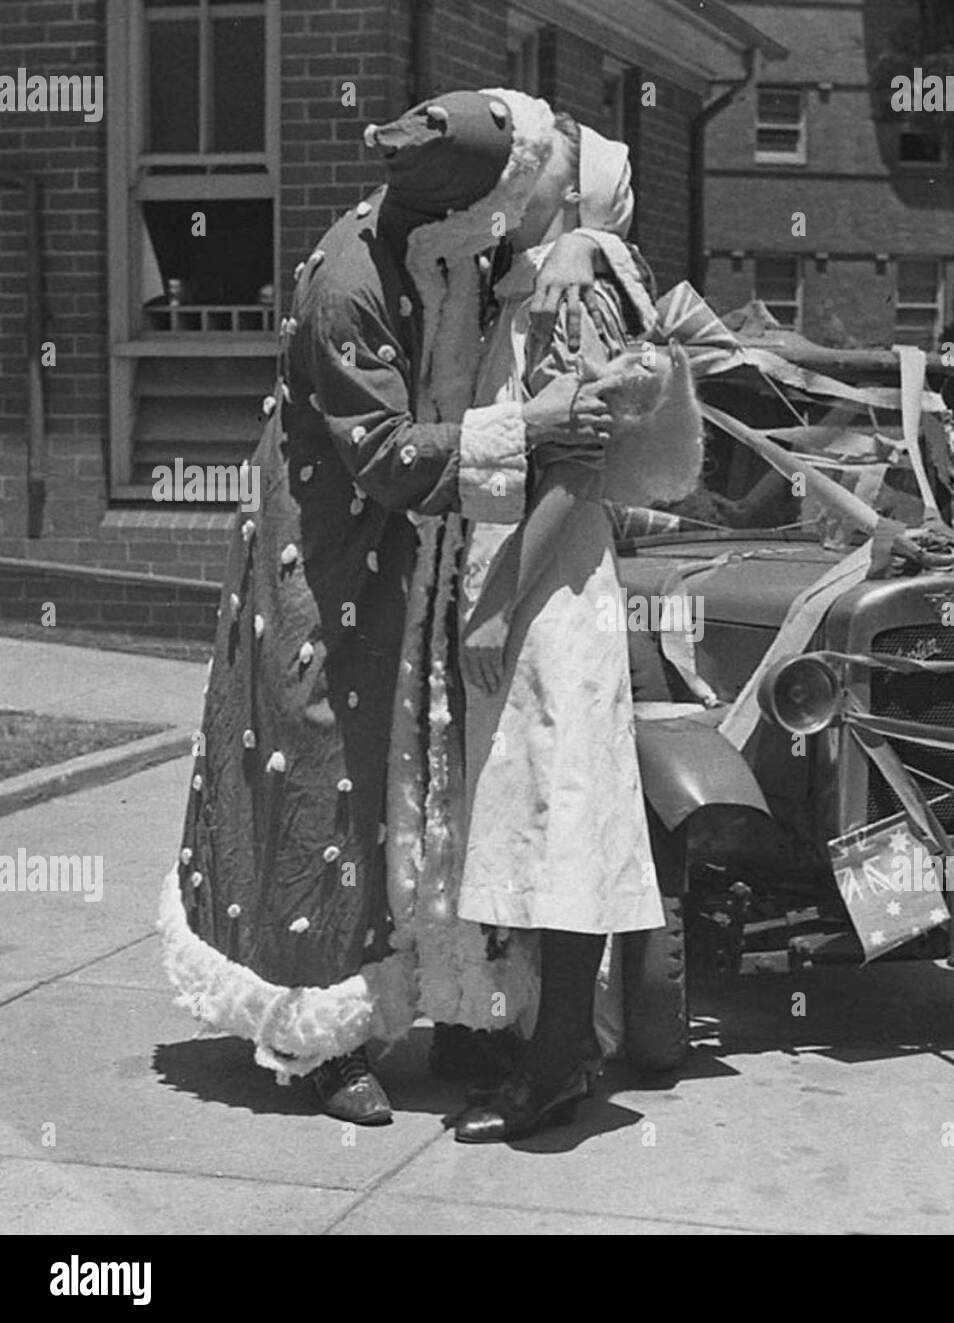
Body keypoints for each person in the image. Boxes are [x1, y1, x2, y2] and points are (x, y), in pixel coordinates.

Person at [158, 89, 623, 1127]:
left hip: (414, 561)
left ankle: (430, 993)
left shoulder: (451, 255)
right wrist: (528, 422)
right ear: (465, 207)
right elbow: (380, 457)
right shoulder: (350, 282)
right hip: (328, 549)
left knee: (410, 780)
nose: (514, 223)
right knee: (323, 762)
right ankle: (315, 1032)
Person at [413, 114, 702, 1143]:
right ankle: (534, 1042)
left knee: (563, 818)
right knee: (535, 816)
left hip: (548, 586)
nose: (508, 184)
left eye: (530, 176)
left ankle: (555, 1068)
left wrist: (494, 604)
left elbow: (578, 460)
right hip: (530, 576)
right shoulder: (524, 275)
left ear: (572, 194)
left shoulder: (577, 270)